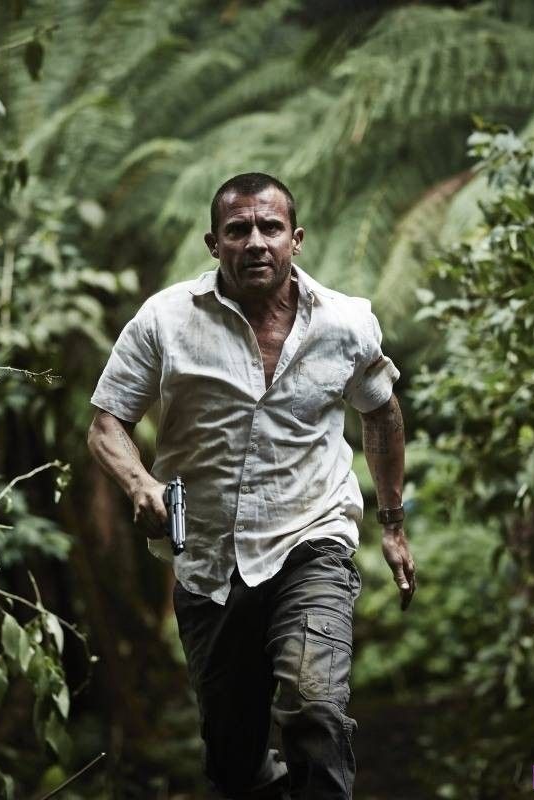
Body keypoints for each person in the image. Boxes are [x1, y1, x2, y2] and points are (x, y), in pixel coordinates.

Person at [86, 172, 415, 799]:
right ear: (215, 244)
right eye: (238, 230)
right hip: (209, 559)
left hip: (313, 539)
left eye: (270, 227)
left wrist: (393, 525)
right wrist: (139, 484)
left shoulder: (346, 323)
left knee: (314, 708)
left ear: (296, 239)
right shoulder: (165, 319)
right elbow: (107, 423)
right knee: (234, 761)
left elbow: (382, 413)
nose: (256, 241)